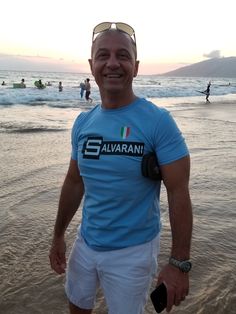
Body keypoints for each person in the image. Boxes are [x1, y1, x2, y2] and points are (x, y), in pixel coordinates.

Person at [49, 22, 193, 314]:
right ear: (92, 65)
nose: (112, 63)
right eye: (103, 55)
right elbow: (74, 182)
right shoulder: (83, 123)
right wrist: (58, 235)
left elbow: (178, 191)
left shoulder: (158, 122)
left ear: (136, 67)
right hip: (86, 242)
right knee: (76, 307)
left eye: (122, 56)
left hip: (134, 252)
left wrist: (179, 263)